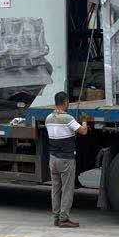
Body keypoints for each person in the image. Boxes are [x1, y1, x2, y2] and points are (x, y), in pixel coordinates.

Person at [44, 90, 87, 228]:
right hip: (66, 159)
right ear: (65, 102)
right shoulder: (68, 118)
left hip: (53, 159)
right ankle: (64, 219)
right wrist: (84, 121)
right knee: (67, 189)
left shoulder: (48, 118)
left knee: (55, 189)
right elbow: (83, 131)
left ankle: (56, 218)